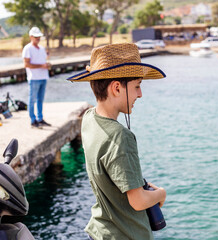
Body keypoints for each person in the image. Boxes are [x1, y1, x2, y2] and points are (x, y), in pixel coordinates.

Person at [67, 43, 167, 239]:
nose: (140, 94)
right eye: (137, 86)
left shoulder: (88, 118)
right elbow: (138, 201)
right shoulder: (121, 137)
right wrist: (160, 194)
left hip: (100, 231)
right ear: (116, 88)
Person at [22, 26, 51, 128]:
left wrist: (46, 65)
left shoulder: (42, 48)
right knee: (32, 100)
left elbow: (43, 61)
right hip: (34, 78)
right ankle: (33, 120)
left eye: (39, 36)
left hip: (43, 77)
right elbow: (26, 64)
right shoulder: (27, 48)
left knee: (40, 100)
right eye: (36, 36)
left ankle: (40, 119)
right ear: (31, 37)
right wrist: (41, 66)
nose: (38, 38)